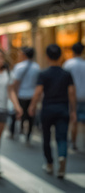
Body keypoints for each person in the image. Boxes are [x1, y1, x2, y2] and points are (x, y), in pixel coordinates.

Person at [29, 44, 76, 179]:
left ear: (47, 57)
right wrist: (72, 110)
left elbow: (38, 92)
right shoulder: (66, 74)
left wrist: (32, 106)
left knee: (47, 137)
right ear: (60, 56)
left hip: (48, 108)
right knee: (62, 137)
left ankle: (49, 163)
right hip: (63, 108)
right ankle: (62, 158)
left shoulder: (43, 74)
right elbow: (71, 93)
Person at [9, 47, 40, 143]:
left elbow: (15, 82)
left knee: (17, 113)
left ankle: (12, 132)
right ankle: (28, 135)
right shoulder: (37, 67)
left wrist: (13, 93)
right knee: (31, 115)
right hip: (32, 95)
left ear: (24, 55)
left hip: (21, 94)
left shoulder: (19, 67)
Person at [63, 42, 85, 150]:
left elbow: (64, 82)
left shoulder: (68, 64)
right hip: (84, 96)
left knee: (73, 120)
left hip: (72, 97)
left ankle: (74, 143)